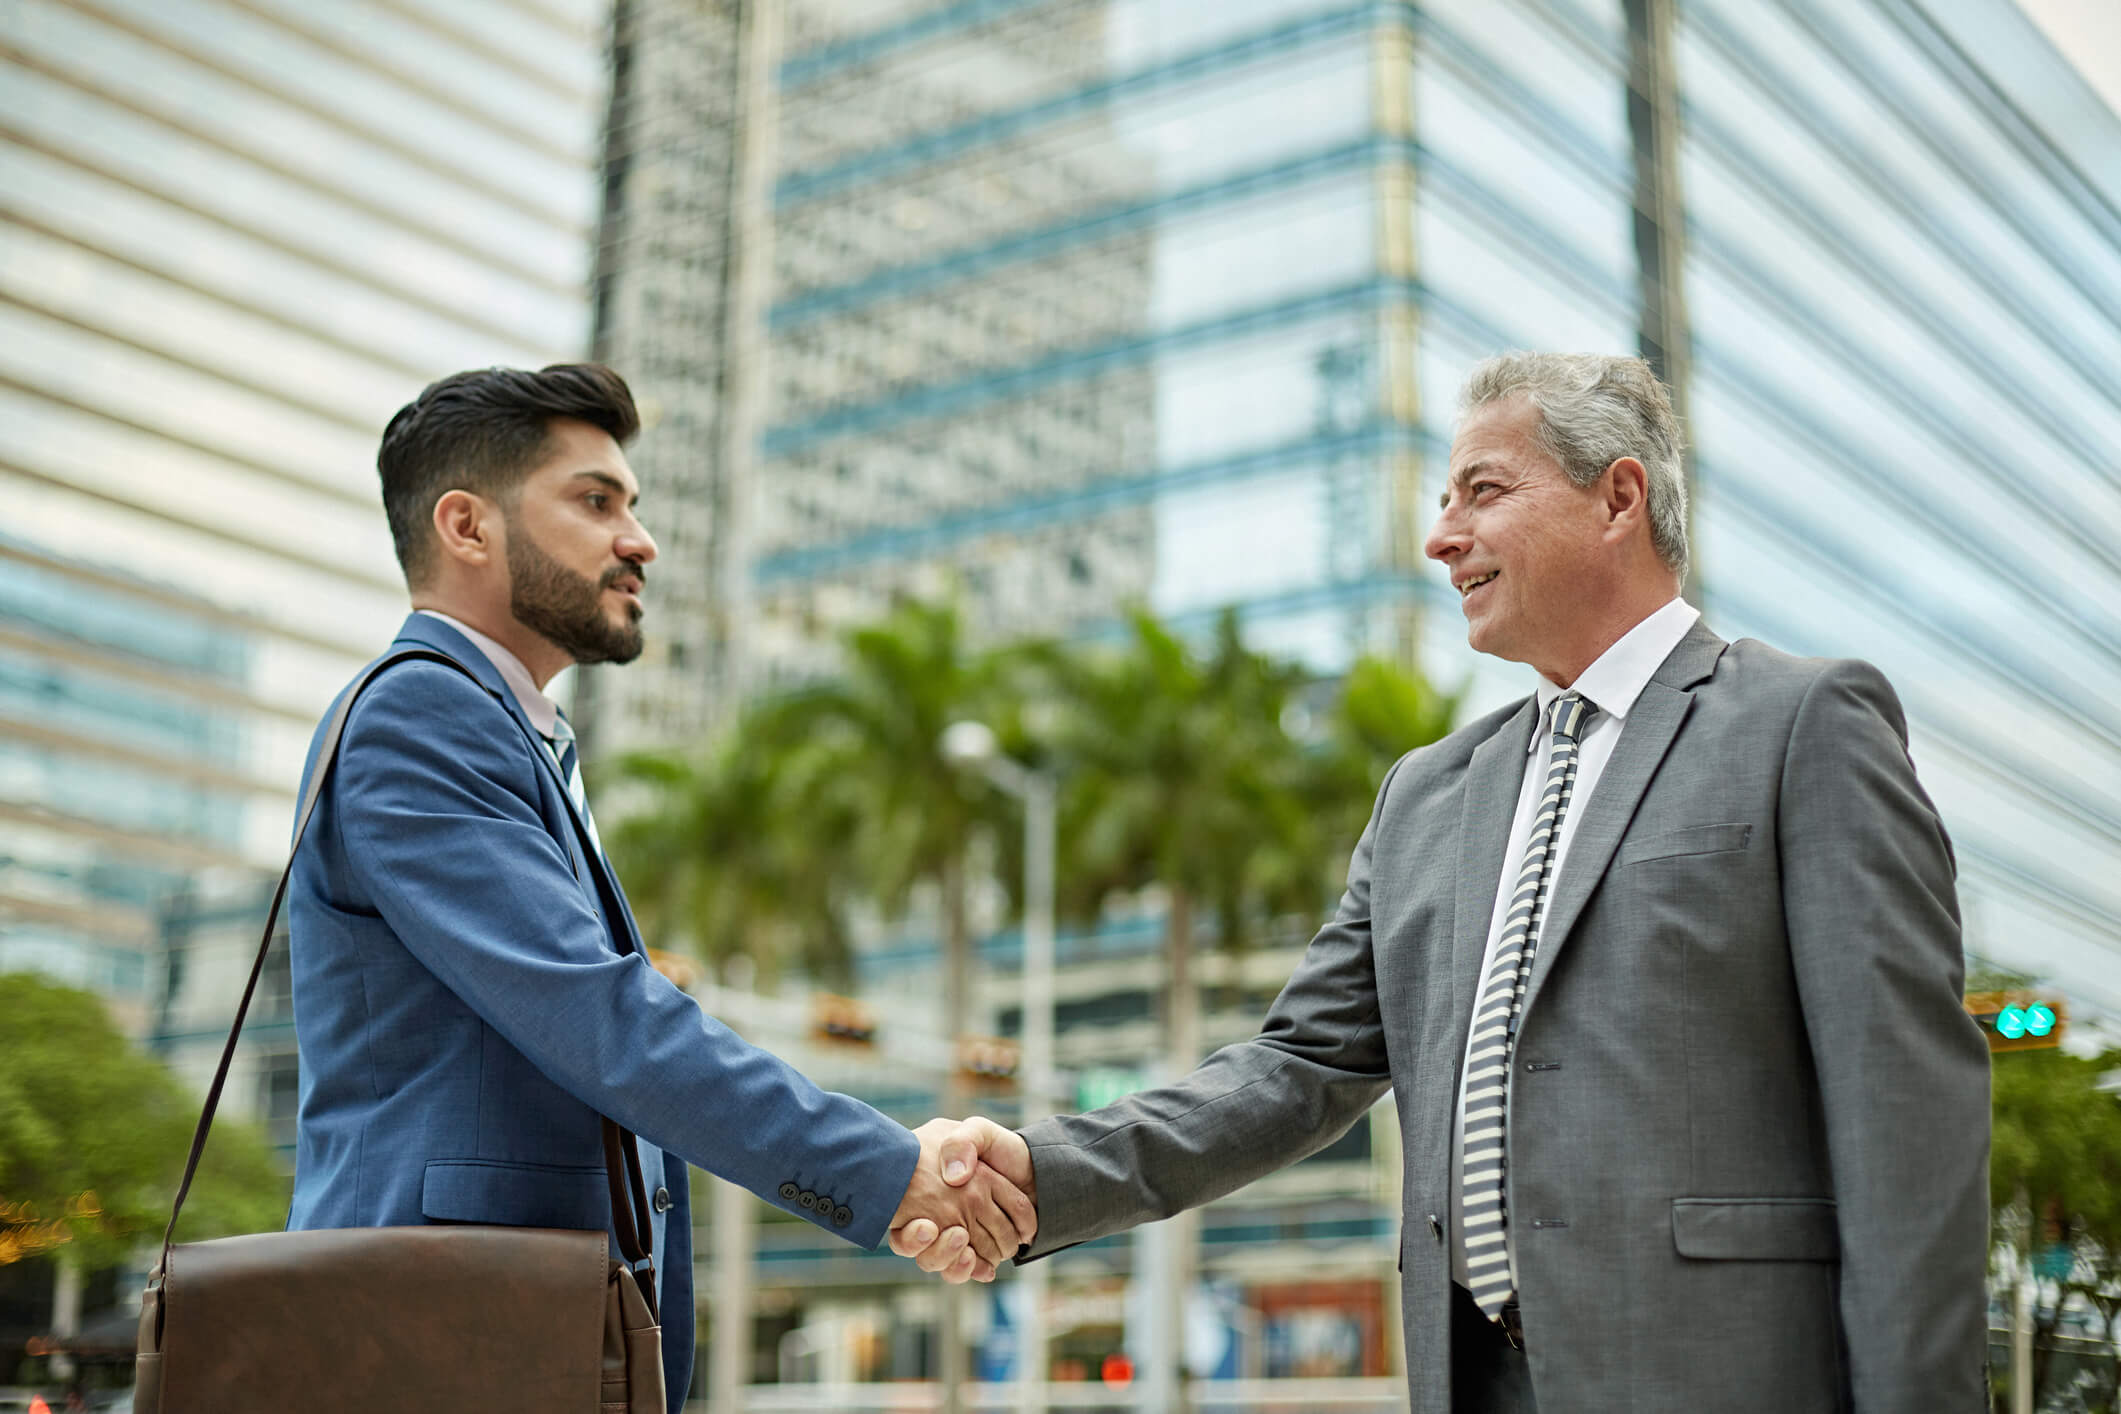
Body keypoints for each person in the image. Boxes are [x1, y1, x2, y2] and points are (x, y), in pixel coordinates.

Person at [906, 353, 1991, 1412]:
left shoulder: (1803, 726)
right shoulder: (1426, 795)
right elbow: (1296, 1068)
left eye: (1484, 491)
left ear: (1619, 497)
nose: (1441, 538)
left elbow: (1906, 1120)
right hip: (1479, 1377)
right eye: (1442, 501)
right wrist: (1039, 1170)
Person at [286, 364, 1032, 1411]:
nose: (639, 539)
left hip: (506, 1332)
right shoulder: (421, 718)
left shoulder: (514, 733)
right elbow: (604, 1021)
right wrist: (887, 1169)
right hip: (432, 1340)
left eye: (631, 504)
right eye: (595, 500)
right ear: (466, 526)